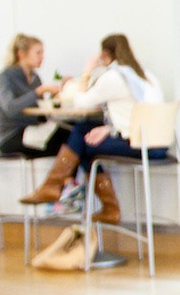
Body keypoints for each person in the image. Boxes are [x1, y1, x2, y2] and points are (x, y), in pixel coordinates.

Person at [18, 34, 161, 221]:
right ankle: (62, 190)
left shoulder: (114, 76)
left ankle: (58, 188)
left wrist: (87, 71)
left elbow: (81, 102)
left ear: (105, 54)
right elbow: (134, 113)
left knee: (83, 139)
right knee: (85, 131)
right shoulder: (145, 75)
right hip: (159, 143)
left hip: (140, 144)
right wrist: (109, 129)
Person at [0, 34, 64, 158]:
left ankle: (65, 178)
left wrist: (55, 96)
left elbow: (40, 114)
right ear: (22, 54)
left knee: (72, 133)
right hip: (11, 136)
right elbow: (10, 108)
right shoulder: (4, 77)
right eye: (38, 53)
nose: (42, 57)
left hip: (32, 132)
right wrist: (38, 92)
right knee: (68, 142)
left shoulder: (35, 79)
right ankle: (65, 177)